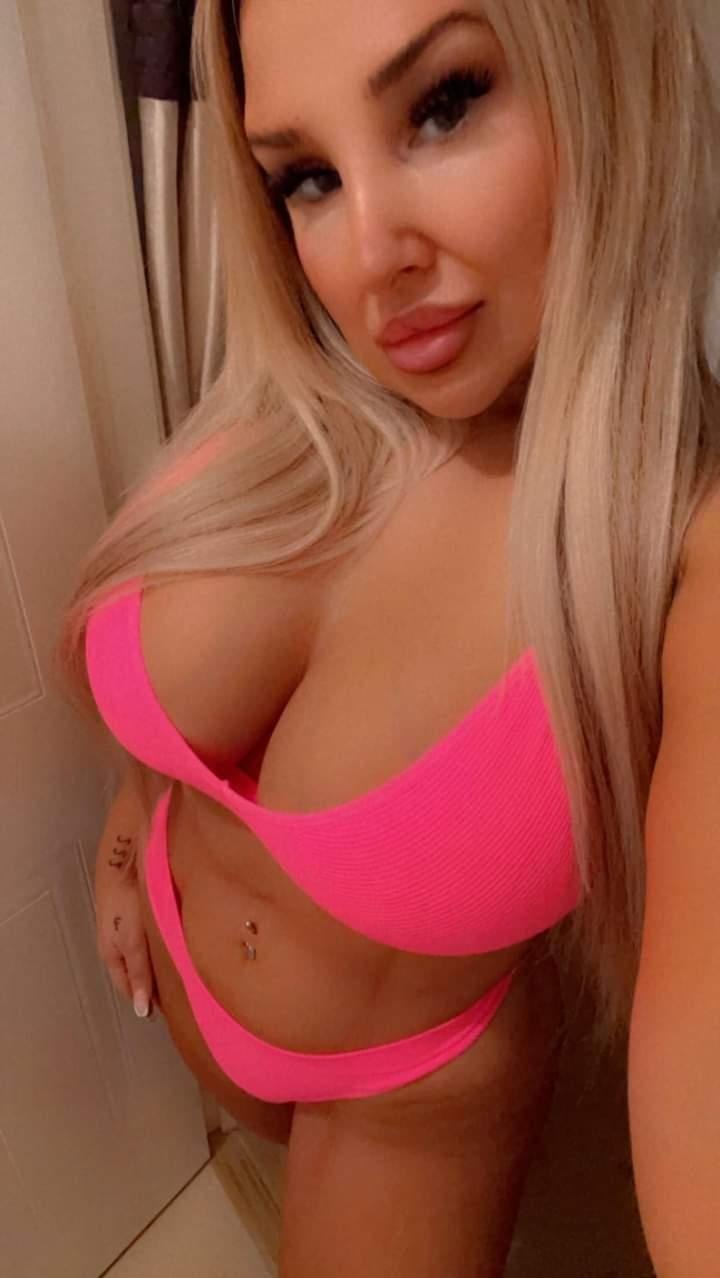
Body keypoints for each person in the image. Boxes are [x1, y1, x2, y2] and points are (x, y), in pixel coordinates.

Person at [56, 1, 720, 1273]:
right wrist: (132, 825)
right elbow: (165, 715)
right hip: (183, 996)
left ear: (604, 69)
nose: (370, 258)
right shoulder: (291, 401)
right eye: (306, 176)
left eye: (444, 105)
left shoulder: (686, 548)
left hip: (403, 1110)